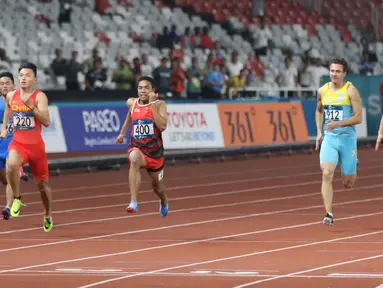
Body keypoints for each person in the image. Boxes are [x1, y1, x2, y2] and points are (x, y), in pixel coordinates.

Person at [0, 62, 53, 232]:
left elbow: (46, 122)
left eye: (27, 75)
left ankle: (47, 214)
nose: (24, 78)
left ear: (34, 79)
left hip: (36, 148)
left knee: (43, 187)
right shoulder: (11, 95)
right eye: (21, 75)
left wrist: (31, 106)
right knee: (11, 165)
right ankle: (16, 198)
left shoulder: (39, 97)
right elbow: (10, 109)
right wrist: (4, 126)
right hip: (18, 144)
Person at [315, 58, 362, 225]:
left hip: (347, 139)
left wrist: (338, 123)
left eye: (337, 71)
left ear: (344, 74)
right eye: (332, 71)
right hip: (330, 139)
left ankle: (352, 161)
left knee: (348, 183)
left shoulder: (350, 91)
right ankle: (329, 214)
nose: (334, 74)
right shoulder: (322, 91)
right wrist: (319, 131)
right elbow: (319, 110)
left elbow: (358, 117)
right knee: (326, 172)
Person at [115, 76, 169, 217]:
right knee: (134, 159)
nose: (143, 91)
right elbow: (130, 115)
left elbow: (162, 126)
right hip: (138, 147)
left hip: (155, 153)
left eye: (146, 88)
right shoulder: (131, 103)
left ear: (153, 90)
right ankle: (133, 202)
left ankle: (164, 201)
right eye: (140, 88)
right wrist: (122, 133)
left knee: (157, 187)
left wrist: (151, 104)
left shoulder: (160, 104)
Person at [0, 72, 29, 220]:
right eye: (2, 84)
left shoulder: (21, 101)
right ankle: (17, 193)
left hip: (14, 146)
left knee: (10, 176)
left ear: (13, 85)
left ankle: (7, 207)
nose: (4, 86)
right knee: (6, 180)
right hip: (0, 147)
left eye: (7, 83)